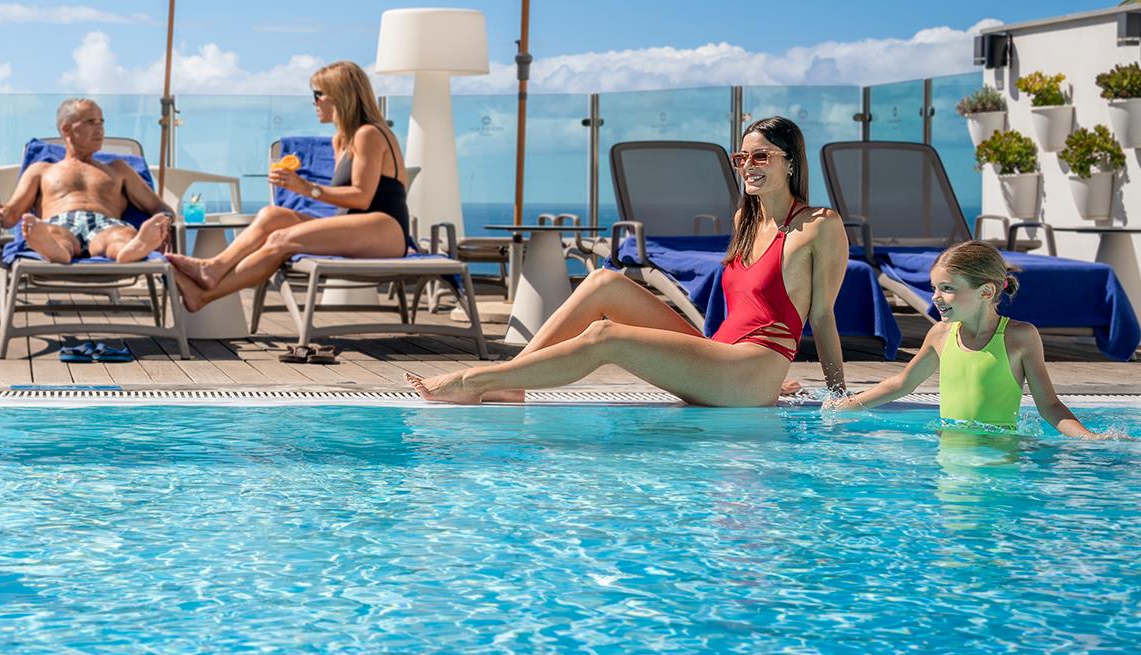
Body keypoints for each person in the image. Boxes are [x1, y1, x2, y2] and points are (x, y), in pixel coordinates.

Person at [407, 116, 850, 406]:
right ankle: (512, 381)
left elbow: (822, 317)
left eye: (762, 156)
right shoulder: (745, 220)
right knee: (604, 283)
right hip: (722, 356)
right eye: (742, 158)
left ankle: (476, 381)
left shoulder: (819, 226)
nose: (749, 166)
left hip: (750, 370)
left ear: (790, 163)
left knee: (605, 335)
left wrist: (837, 396)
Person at [167, 60, 409, 313]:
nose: (314, 102)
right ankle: (213, 268)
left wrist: (306, 188)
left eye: (318, 95)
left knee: (281, 239)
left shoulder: (369, 134)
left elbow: (362, 197)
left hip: (385, 229)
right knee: (271, 215)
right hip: (355, 224)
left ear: (340, 96)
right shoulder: (341, 140)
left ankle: (204, 295)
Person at [825, 241, 1124, 438]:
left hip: (999, 455)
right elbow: (903, 383)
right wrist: (846, 405)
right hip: (950, 453)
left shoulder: (1019, 337)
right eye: (934, 287)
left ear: (986, 292)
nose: (936, 297)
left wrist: (1090, 439)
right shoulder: (941, 334)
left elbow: (1049, 406)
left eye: (947, 288)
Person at [0, 97, 172, 263]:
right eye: (90, 122)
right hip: (58, 223)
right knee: (55, 235)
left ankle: (129, 250)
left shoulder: (119, 169)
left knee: (120, 236)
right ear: (66, 129)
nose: (100, 128)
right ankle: (55, 249)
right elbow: (11, 215)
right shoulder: (41, 170)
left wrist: (164, 222)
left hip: (107, 224)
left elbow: (159, 207)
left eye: (101, 122)